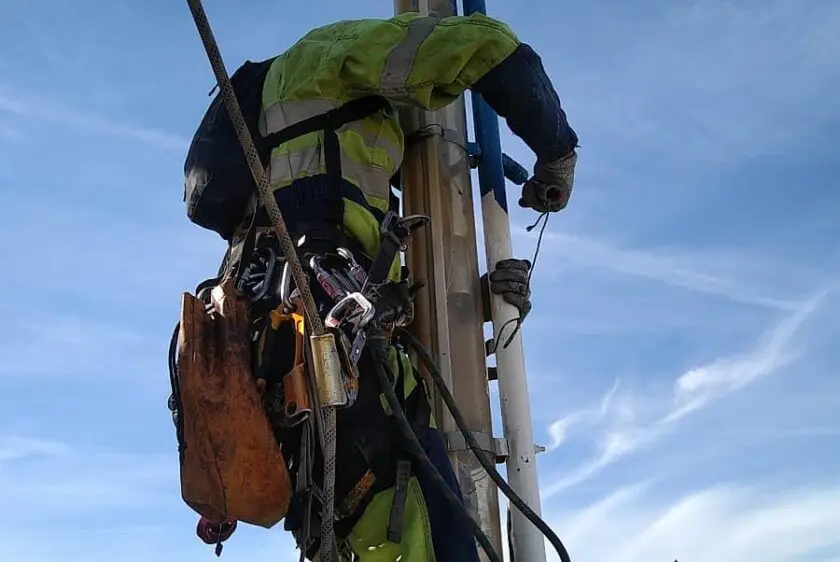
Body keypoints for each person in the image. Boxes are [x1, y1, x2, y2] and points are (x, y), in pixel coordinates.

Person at [182, 9, 578, 562]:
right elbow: (487, 45)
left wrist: (485, 301)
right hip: (340, 356)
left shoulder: (264, 204)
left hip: (290, 373)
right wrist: (557, 152)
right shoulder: (328, 56)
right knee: (425, 530)